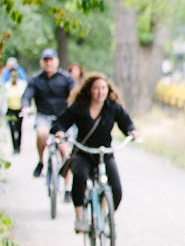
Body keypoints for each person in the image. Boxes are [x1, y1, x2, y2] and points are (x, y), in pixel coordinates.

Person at [51, 72, 138, 232]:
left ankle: (103, 215)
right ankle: (79, 218)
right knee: (80, 176)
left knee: (117, 190)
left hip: (104, 153)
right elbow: (60, 123)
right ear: (90, 90)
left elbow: (127, 124)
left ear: (108, 90)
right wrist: (60, 132)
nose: (100, 92)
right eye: (96, 88)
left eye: (103, 88)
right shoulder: (78, 108)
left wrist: (132, 132)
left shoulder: (113, 108)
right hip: (83, 153)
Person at [21, 48, 75, 181]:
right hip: (44, 116)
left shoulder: (66, 79)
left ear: (57, 62)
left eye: (51, 60)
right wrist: (26, 107)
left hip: (63, 118)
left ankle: (68, 187)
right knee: (41, 133)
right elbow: (27, 95)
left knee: (65, 150)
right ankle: (41, 161)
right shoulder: (36, 80)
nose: (48, 63)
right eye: (46, 60)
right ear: (41, 63)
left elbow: (75, 93)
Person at [1, 70, 28, 154]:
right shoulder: (6, 86)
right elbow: (2, 99)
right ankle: (15, 147)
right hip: (10, 110)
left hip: (19, 109)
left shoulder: (22, 85)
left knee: (19, 128)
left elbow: (25, 97)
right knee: (12, 129)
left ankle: (19, 146)